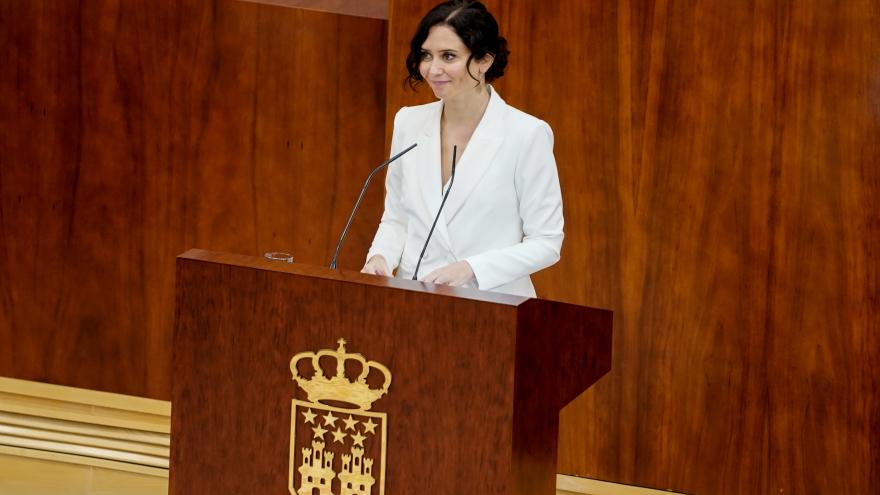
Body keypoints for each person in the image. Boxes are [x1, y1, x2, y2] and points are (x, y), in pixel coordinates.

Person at [362, 0, 563, 297]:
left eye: (449, 56)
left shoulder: (526, 134)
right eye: (426, 55)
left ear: (484, 60)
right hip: (411, 301)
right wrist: (380, 257)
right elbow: (397, 217)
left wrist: (471, 268)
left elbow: (547, 241)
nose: (433, 69)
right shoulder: (408, 122)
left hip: (492, 304)